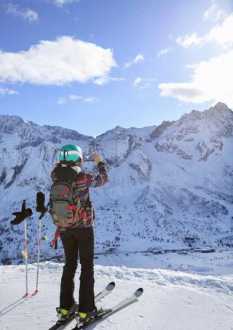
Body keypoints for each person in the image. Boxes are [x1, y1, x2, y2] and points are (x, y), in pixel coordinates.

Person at [49, 144, 108, 326]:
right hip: (83, 229)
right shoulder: (82, 177)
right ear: (78, 158)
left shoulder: (56, 176)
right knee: (86, 267)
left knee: (69, 266)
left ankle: (65, 308)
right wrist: (100, 162)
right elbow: (104, 179)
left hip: (65, 228)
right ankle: (86, 311)